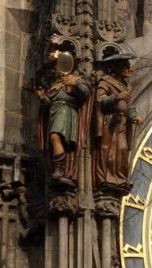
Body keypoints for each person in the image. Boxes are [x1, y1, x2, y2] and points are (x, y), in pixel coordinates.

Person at [36, 50, 92, 185]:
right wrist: (42, 98)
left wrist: (75, 83)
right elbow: (47, 105)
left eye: (59, 63)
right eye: (55, 65)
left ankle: (60, 169)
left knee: (55, 136)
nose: (57, 67)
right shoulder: (54, 84)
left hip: (66, 112)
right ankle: (58, 168)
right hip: (54, 113)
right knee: (54, 140)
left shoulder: (74, 79)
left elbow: (86, 93)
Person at [93, 52, 143, 190]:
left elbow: (129, 106)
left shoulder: (124, 86)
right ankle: (106, 177)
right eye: (126, 66)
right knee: (108, 150)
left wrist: (134, 116)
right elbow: (100, 100)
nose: (129, 69)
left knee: (122, 149)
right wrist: (116, 97)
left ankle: (120, 178)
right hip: (110, 122)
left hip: (122, 123)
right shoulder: (105, 81)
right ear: (117, 68)